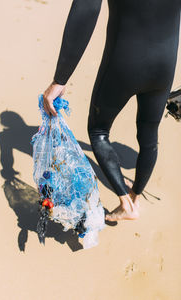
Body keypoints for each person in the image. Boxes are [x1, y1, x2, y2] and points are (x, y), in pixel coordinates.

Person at [43, 0, 181, 221]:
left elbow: (86, 10)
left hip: (124, 62)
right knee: (149, 136)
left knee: (98, 132)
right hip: (165, 65)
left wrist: (60, 78)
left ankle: (126, 204)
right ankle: (135, 196)